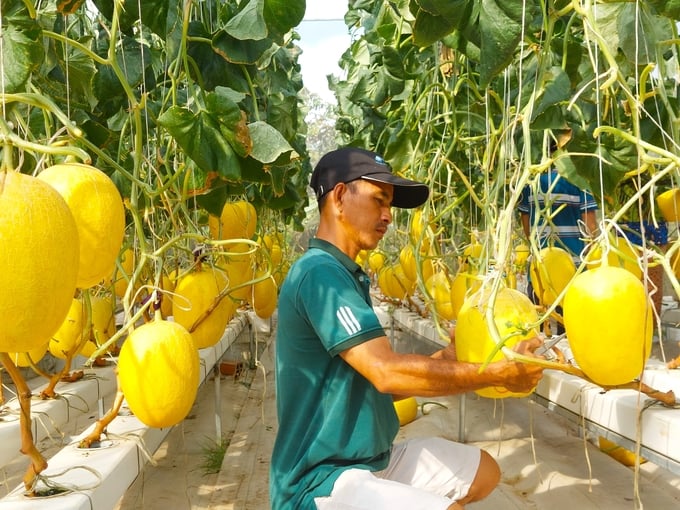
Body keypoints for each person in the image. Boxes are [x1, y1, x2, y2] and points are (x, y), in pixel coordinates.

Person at [269, 147, 545, 510]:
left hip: (371, 461)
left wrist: (446, 358)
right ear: (338, 197)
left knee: (484, 472)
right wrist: (498, 374)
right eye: (379, 200)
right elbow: (385, 373)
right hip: (320, 478)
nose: (387, 217)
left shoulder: (346, 275)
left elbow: (368, 383)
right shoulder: (320, 273)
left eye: (390, 206)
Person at [518, 158, 598, 334]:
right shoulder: (579, 177)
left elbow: (525, 220)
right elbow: (589, 223)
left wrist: (536, 243)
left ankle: (539, 355)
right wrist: (592, 253)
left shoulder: (531, 180)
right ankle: (567, 356)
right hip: (572, 263)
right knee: (569, 323)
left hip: (540, 264)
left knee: (539, 318)